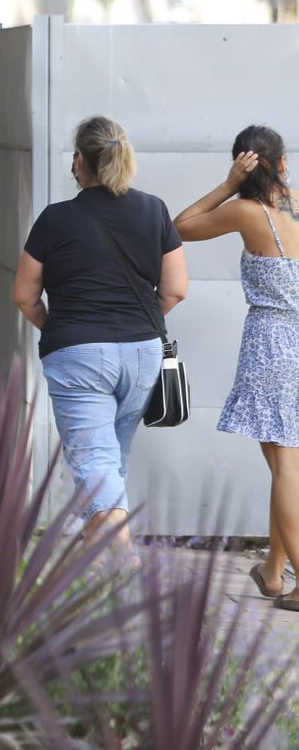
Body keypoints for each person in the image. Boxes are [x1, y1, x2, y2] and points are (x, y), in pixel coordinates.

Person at [12, 116, 186, 548]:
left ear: (80, 162)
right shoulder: (155, 209)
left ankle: (123, 562)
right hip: (143, 353)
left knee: (95, 463)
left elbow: (24, 295)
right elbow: (176, 289)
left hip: (79, 355)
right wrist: (140, 321)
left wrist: (59, 329)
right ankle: (99, 565)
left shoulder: (55, 219)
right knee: (110, 463)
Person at [173, 126, 297, 605]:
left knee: (284, 462)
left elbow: (181, 225)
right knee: (290, 464)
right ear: (282, 163)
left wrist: (227, 185)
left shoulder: (248, 212)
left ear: (243, 165)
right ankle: (272, 572)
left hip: (271, 342)